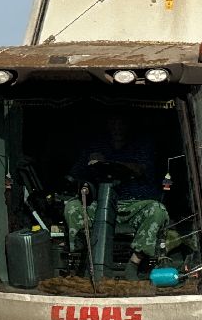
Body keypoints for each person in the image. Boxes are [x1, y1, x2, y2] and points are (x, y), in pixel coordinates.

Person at [63, 114, 170, 272]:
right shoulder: (96, 145)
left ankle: (133, 265)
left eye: (122, 124)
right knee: (72, 207)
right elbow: (74, 176)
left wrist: (112, 164)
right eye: (114, 123)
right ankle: (83, 258)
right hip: (100, 205)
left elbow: (141, 168)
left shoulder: (142, 145)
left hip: (134, 204)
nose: (117, 128)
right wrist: (90, 163)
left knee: (158, 211)